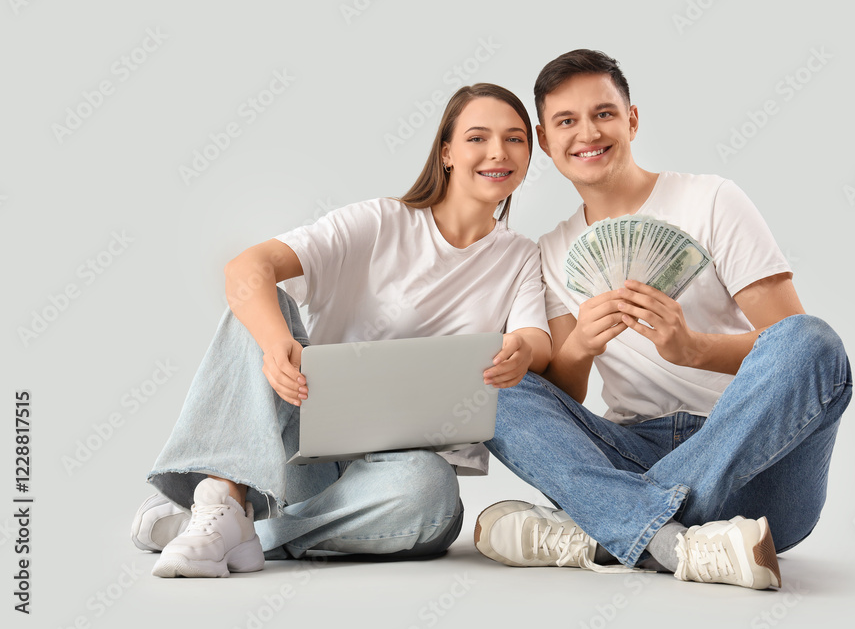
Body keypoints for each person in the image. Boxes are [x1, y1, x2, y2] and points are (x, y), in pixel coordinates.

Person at [130, 83, 552, 578]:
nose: (497, 152)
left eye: (515, 139)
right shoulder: (379, 222)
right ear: (447, 153)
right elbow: (247, 268)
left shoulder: (521, 255)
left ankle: (237, 530)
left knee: (434, 494)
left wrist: (521, 351)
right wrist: (274, 344)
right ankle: (223, 495)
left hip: (394, 478)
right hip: (301, 454)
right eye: (478, 137)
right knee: (261, 305)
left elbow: (538, 343)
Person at [472, 50, 852, 590]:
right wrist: (581, 345)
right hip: (633, 449)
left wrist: (695, 349)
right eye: (566, 121)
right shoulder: (551, 252)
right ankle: (671, 541)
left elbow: (789, 346)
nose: (587, 133)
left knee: (814, 340)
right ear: (546, 141)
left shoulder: (711, 200)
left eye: (603, 113)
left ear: (630, 119)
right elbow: (565, 393)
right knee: (490, 385)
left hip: (758, 466)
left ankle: (602, 529)